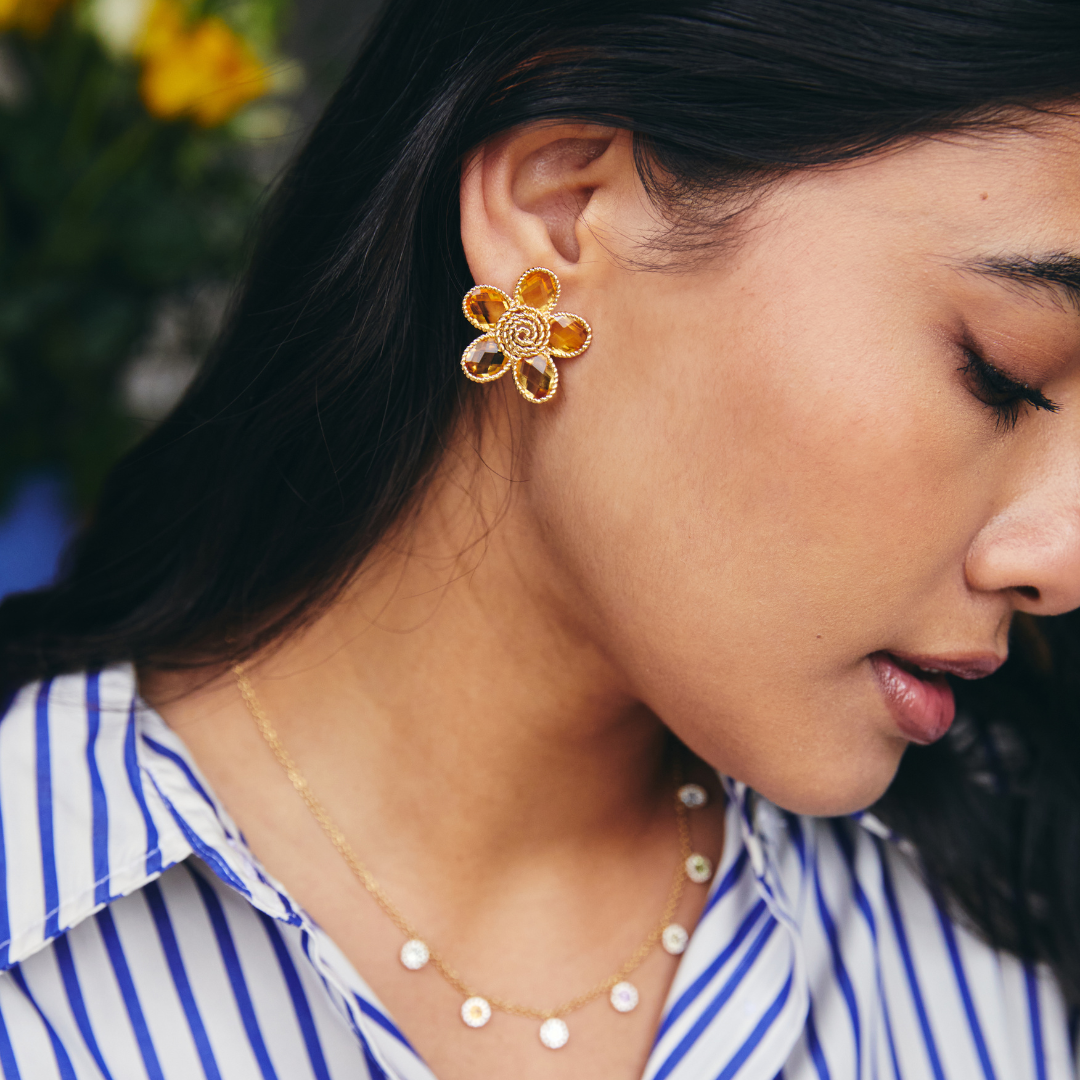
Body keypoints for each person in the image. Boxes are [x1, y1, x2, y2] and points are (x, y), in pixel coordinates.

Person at [3, 0, 1080, 1076]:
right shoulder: (38, 925)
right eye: (1003, 376)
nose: (1062, 565)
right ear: (560, 213)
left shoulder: (1017, 916)